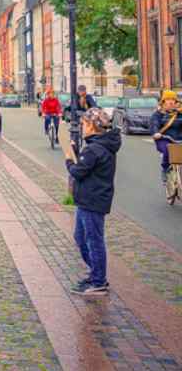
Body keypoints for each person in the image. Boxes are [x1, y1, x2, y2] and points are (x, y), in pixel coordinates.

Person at [66, 107, 119, 296]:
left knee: (93, 240)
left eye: (84, 125)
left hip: (92, 200)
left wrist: (69, 161)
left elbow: (78, 171)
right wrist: (76, 153)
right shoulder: (99, 146)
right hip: (90, 199)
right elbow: (87, 166)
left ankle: (98, 281)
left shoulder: (95, 149)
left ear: (92, 126)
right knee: (81, 238)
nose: (82, 128)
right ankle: (96, 273)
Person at [151, 90, 182, 185]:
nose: (171, 101)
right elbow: (154, 124)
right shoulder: (158, 114)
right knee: (167, 149)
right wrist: (156, 133)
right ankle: (165, 169)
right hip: (164, 139)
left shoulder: (179, 113)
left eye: (173, 99)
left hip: (179, 138)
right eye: (168, 99)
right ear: (163, 102)